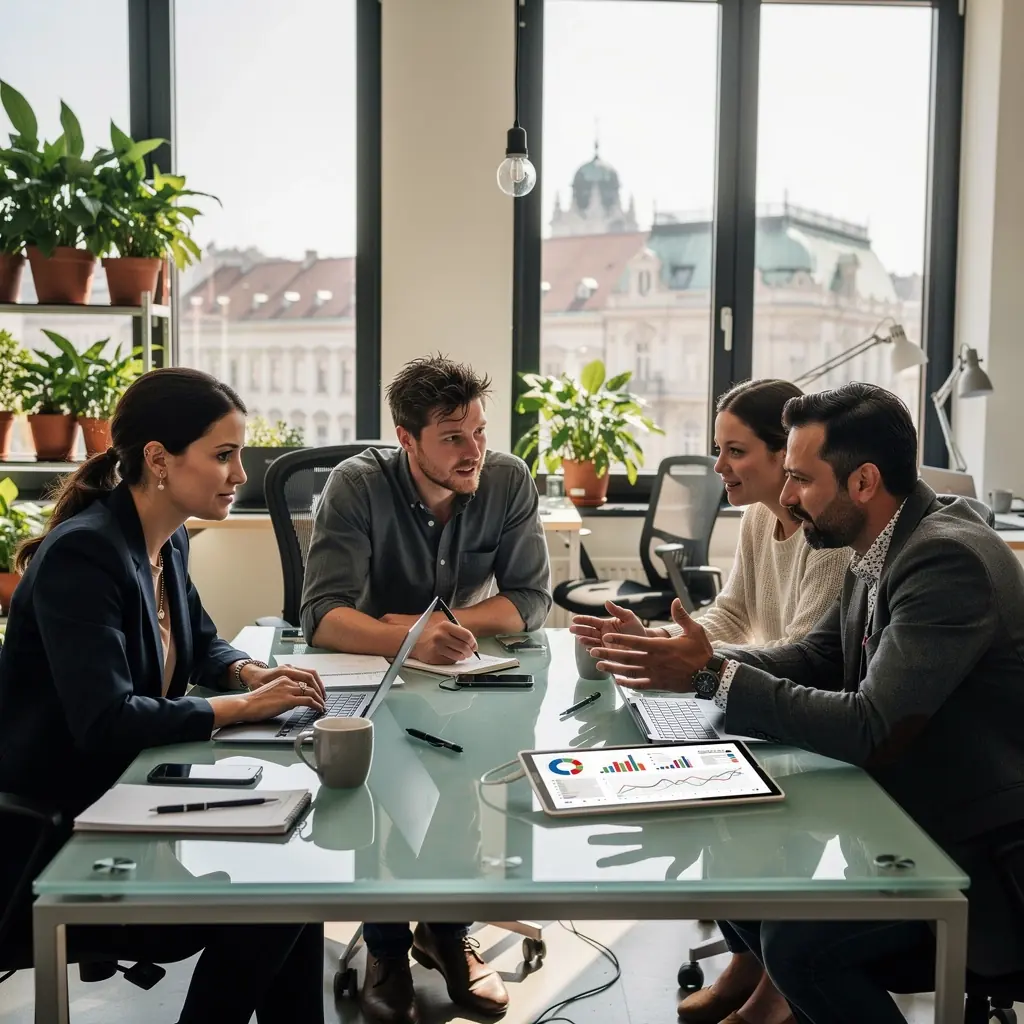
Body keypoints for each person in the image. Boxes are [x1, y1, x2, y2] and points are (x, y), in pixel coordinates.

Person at [590, 382, 1024, 1024]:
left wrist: (712, 674)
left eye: (800, 479)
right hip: (901, 812)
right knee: (743, 859)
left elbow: (871, 726)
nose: (786, 498)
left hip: (975, 855)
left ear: (864, 481)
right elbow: (817, 658)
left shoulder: (942, 560)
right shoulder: (879, 540)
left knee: (800, 946)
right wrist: (690, 665)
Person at [0, 368, 329, 1024]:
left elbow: (203, 644)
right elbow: (107, 721)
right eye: (224, 455)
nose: (240, 475)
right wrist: (242, 709)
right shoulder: (84, 556)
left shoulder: (165, 535)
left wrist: (248, 676)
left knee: (298, 876)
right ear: (158, 459)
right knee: (277, 901)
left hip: (132, 797)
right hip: (59, 839)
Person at [571, 378, 849, 1024]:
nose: (718, 466)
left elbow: (804, 653)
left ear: (786, 456)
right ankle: (749, 968)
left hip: (802, 716)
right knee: (701, 799)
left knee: (723, 804)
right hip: (759, 699)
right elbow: (734, 612)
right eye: (717, 450)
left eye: (734, 451)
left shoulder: (825, 541)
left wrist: (690, 665)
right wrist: (667, 642)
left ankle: (776, 992)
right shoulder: (758, 520)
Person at [301, 354, 551, 1022]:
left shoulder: (507, 479)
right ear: (406, 439)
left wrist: (441, 625)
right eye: (452, 438)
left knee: (467, 771)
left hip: (465, 676)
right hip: (371, 679)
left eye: (479, 432)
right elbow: (323, 616)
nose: (474, 451)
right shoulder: (357, 486)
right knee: (379, 783)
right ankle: (384, 942)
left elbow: (531, 599)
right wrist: (403, 638)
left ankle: (447, 934)